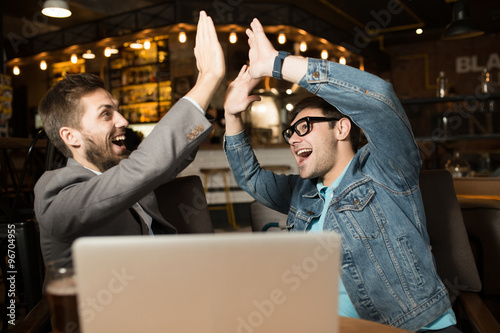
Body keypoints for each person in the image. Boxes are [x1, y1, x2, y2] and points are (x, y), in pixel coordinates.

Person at [223, 18, 458, 332]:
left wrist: (277, 64)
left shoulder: (385, 171)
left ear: (342, 128)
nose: (293, 138)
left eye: (304, 127)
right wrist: (231, 115)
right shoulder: (303, 193)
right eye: (290, 132)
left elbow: (379, 98)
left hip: (411, 327)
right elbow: (251, 179)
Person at [34, 11, 225, 267]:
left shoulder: (117, 171)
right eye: (106, 114)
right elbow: (144, 166)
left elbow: (173, 157)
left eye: (118, 109)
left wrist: (228, 112)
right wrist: (208, 78)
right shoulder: (54, 193)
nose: (123, 120)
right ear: (71, 136)